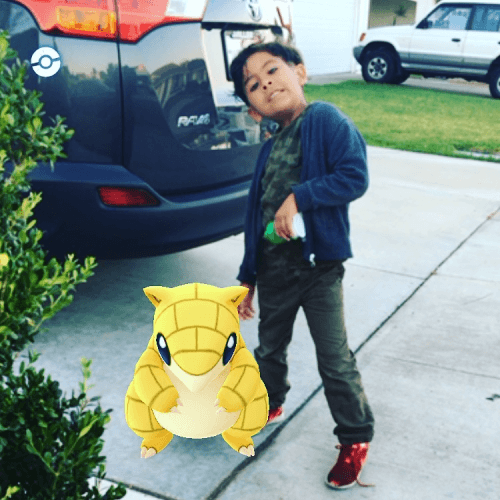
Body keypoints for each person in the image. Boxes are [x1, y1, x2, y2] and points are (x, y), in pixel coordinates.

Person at [230, 41, 375, 490]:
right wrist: (248, 277)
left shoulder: (324, 119)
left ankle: (354, 436)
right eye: (253, 84)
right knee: (268, 350)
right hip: (274, 271)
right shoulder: (268, 149)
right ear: (252, 109)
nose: (266, 83)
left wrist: (300, 197)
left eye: (272, 70)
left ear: (301, 72)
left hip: (318, 270)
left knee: (333, 359)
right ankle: (270, 402)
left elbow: (354, 175)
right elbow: (255, 217)